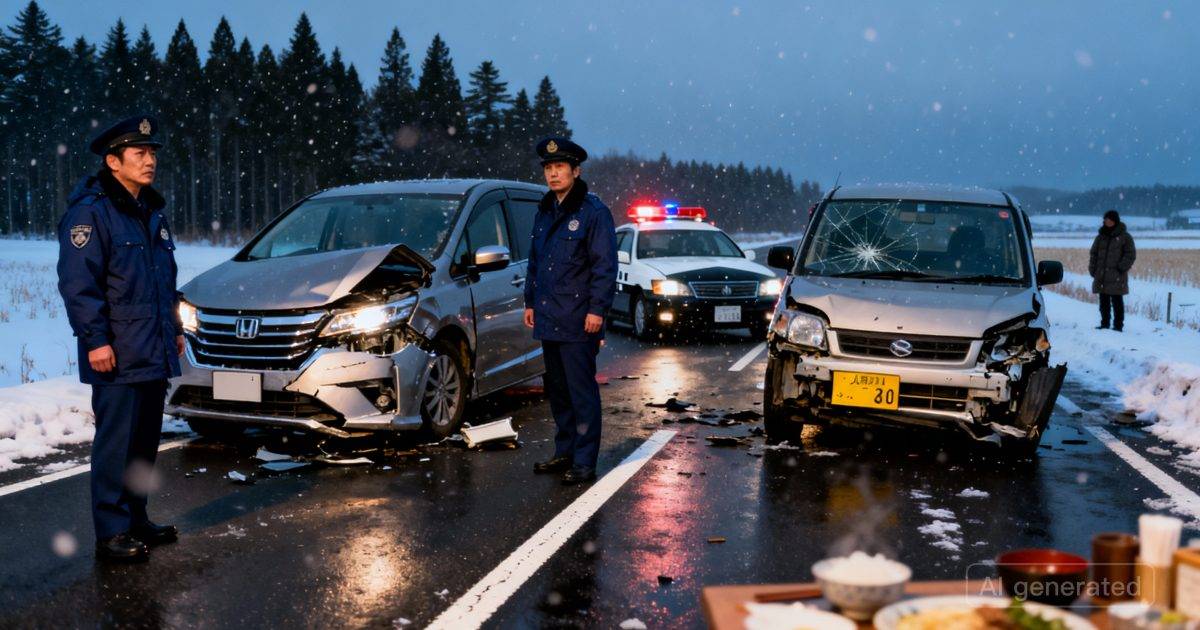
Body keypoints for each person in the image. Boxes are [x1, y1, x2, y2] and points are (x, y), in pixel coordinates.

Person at [56, 115, 184, 562]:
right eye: (139, 154)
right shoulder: (91, 213)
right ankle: (111, 532)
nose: (149, 161)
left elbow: (163, 280)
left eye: (152, 153)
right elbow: (78, 284)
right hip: (116, 351)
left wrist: (178, 329)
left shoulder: (151, 211)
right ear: (113, 161)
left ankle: (135, 518)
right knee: (115, 445)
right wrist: (95, 339)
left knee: (144, 442)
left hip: (153, 346)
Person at [524, 137, 617, 485]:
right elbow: (536, 262)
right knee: (559, 392)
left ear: (576, 171)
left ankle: (584, 461)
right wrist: (530, 301)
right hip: (549, 317)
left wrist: (598, 310)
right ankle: (564, 452)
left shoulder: (593, 213)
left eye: (560, 167)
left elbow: (604, 266)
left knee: (581, 393)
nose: (553, 173)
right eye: (548, 168)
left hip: (580, 319)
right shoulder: (545, 211)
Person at [1089, 209, 1137, 332]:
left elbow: (1130, 254)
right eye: (1105, 219)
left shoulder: (1124, 237)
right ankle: (1104, 324)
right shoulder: (1101, 237)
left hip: (1117, 275)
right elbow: (1093, 253)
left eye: (1108, 219)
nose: (1106, 221)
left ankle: (1118, 326)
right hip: (1102, 275)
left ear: (1114, 220)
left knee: (1117, 302)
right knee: (1103, 301)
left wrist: (1121, 267)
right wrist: (1093, 269)